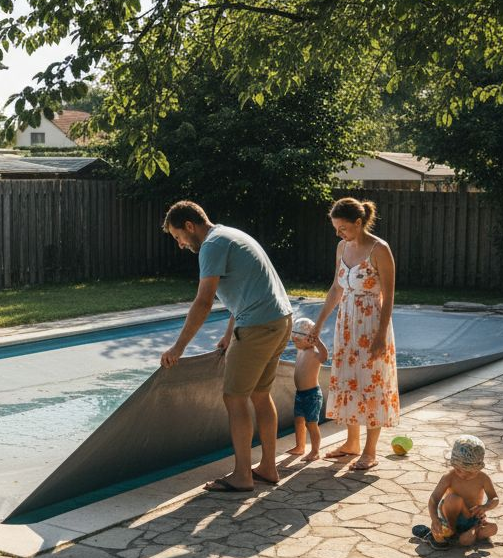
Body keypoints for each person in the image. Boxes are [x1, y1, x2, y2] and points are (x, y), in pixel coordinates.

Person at [160, 201, 293, 493]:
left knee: (235, 398)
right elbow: (248, 286)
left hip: (258, 327)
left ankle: (242, 475)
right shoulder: (230, 235)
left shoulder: (211, 246)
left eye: (177, 236)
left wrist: (178, 348)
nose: (180, 244)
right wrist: (230, 331)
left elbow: (204, 301)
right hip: (280, 320)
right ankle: (268, 468)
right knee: (260, 394)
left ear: (190, 226)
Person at [305, 197, 399, 471]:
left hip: (371, 323)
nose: (338, 233)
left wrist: (381, 335)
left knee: (372, 382)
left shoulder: (379, 249)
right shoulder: (342, 247)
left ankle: (370, 450)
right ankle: (352, 443)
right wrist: (320, 322)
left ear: (358, 223)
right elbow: (337, 287)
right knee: (349, 380)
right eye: (336, 228)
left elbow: (389, 296)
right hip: (346, 323)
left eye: (343, 227)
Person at [416, 435, 500, 549]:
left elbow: (494, 498)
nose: (463, 475)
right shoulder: (449, 477)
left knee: (493, 528)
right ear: (453, 464)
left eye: (470, 472)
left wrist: (486, 507)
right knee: (454, 499)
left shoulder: (483, 478)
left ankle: (470, 533)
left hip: (472, 518)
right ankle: (448, 531)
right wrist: (435, 519)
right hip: (451, 518)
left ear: (479, 467)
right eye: (459, 470)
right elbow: (434, 499)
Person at [287, 317, 328, 461]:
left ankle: (315, 451)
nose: (295, 343)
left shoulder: (314, 352)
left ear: (309, 339)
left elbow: (324, 357)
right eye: (294, 340)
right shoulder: (301, 350)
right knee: (298, 421)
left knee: (311, 424)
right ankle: (300, 447)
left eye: (297, 340)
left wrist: (319, 342)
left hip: (312, 395)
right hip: (300, 394)